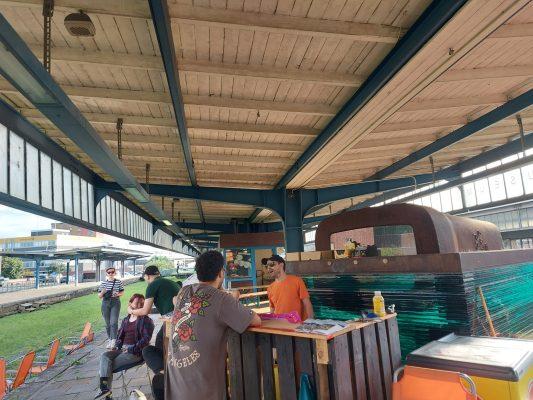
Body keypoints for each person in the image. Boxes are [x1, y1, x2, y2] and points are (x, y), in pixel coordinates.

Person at [166, 250, 261, 400]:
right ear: (221, 273)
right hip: (202, 389)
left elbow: (174, 300)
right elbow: (256, 320)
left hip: (176, 384)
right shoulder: (221, 299)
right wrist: (230, 297)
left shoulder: (184, 292)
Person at [95, 293, 154, 400]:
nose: (140, 305)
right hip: (122, 350)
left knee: (104, 368)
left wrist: (131, 348)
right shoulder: (126, 320)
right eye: (137, 302)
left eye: (142, 303)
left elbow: (146, 340)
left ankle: (106, 394)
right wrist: (116, 346)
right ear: (130, 304)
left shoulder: (146, 320)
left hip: (135, 352)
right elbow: (120, 337)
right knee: (105, 356)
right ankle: (105, 391)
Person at [127, 264, 180, 375]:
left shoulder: (152, 285)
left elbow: (145, 311)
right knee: (160, 342)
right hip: (181, 317)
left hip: (171, 320)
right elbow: (151, 309)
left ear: (147, 276)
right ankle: (166, 369)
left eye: (145, 278)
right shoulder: (169, 282)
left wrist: (131, 311)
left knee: (157, 347)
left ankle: (163, 374)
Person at [266, 255, 314, 320]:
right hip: (279, 324)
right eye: (267, 266)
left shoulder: (297, 281)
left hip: (296, 324)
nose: (268, 268)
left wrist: (311, 321)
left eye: (271, 264)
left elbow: (307, 304)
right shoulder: (270, 288)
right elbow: (272, 308)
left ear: (281, 265)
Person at [98, 266, 125, 349]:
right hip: (105, 303)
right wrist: (102, 292)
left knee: (113, 322)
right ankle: (110, 339)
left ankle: (114, 340)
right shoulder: (103, 283)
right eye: (109, 272)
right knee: (107, 323)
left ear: (115, 273)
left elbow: (122, 292)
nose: (111, 273)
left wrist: (117, 294)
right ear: (106, 274)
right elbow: (99, 296)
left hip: (115, 302)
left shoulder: (118, 282)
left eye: (112, 272)